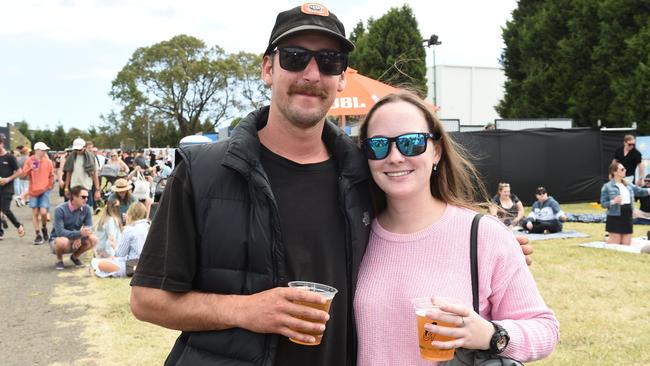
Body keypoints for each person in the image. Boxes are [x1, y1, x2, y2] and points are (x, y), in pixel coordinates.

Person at [129, 4, 372, 365]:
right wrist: (245, 311)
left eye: (329, 61)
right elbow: (147, 299)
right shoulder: (202, 172)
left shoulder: (366, 177)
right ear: (268, 68)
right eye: (294, 57)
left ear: (341, 78)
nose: (311, 73)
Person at [354, 91, 559, 365]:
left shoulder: (484, 234)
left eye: (411, 143)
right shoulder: (354, 235)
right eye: (378, 145)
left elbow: (545, 328)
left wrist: (490, 334)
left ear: (436, 151)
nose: (394, 156)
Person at [91, 202, 149, 277]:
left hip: (134, 265)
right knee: (111, 260)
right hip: (149, 264)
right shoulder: (149, 226)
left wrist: (115, 247)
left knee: (100, 264)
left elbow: (120, 254)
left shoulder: (130, 229)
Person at [601, 162, 650, 245]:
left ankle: (613, 237)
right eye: (622, 169)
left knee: (626, 244)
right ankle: (607, 238)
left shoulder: (628, 184)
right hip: (615, 216)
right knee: (615, 243)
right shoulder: (607, 186)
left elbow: (640, 191)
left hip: (627, 216)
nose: (625, 170)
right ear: (615, 172)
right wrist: (613, 201)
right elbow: (603, 203)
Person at [50, 186, 98, 270]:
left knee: (93, 239)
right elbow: (60, 232)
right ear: (73, 197)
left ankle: (75, 257)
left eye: (87, 197)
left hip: (75, 239)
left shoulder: (86, 209)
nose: (86, 199)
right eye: (83, 197)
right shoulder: (60, 210)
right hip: (58, 240)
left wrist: (79, 237)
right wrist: (78, 234)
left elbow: (89, 227)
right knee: (62, 241)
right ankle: (59, 260)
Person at [22, 142, 55, 244]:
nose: (45, 152)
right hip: (33, 191)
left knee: (44, 212)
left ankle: (44, 227)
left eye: (45, 150)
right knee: (35, 213)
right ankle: (38, 234)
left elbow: (51, 175)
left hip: (44, 190)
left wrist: (50, 185)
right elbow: (23, 175)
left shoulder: (48, 162)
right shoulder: (29, 160)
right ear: (37, 150)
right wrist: (30, 167)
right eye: (43, 150)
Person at [0, 133, 25, 239]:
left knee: (5, 209)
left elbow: (19, 171)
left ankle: (18, 225)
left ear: (2, 144)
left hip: (7, 188)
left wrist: (8, 179)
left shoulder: (10, 157)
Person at [63, 137, 101, 207]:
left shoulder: (91, 157)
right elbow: (68, 173)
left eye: (79, 149)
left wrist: (97, 190)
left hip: (87, 188)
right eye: (76, 149)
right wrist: (66, 188)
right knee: (74, 211)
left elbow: (95, 175)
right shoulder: (71, 158)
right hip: (74, 189)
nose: (78, 151)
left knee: (86, 211)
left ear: (84, 147)